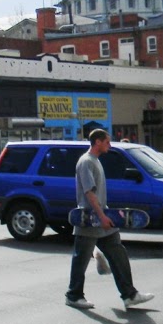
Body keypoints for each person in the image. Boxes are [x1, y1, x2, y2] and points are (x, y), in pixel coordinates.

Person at [66, 128, 154, 310]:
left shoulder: (95, 161)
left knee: (118, 254)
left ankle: (130, 295)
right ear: (97, 142)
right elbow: (89, 192)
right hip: (90, 219)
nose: (110, 145)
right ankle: (73, 296)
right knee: (81, 259)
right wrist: (102, 216)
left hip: (102, 218)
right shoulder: (86, 162)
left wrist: (105, 215)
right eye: (107, 142)